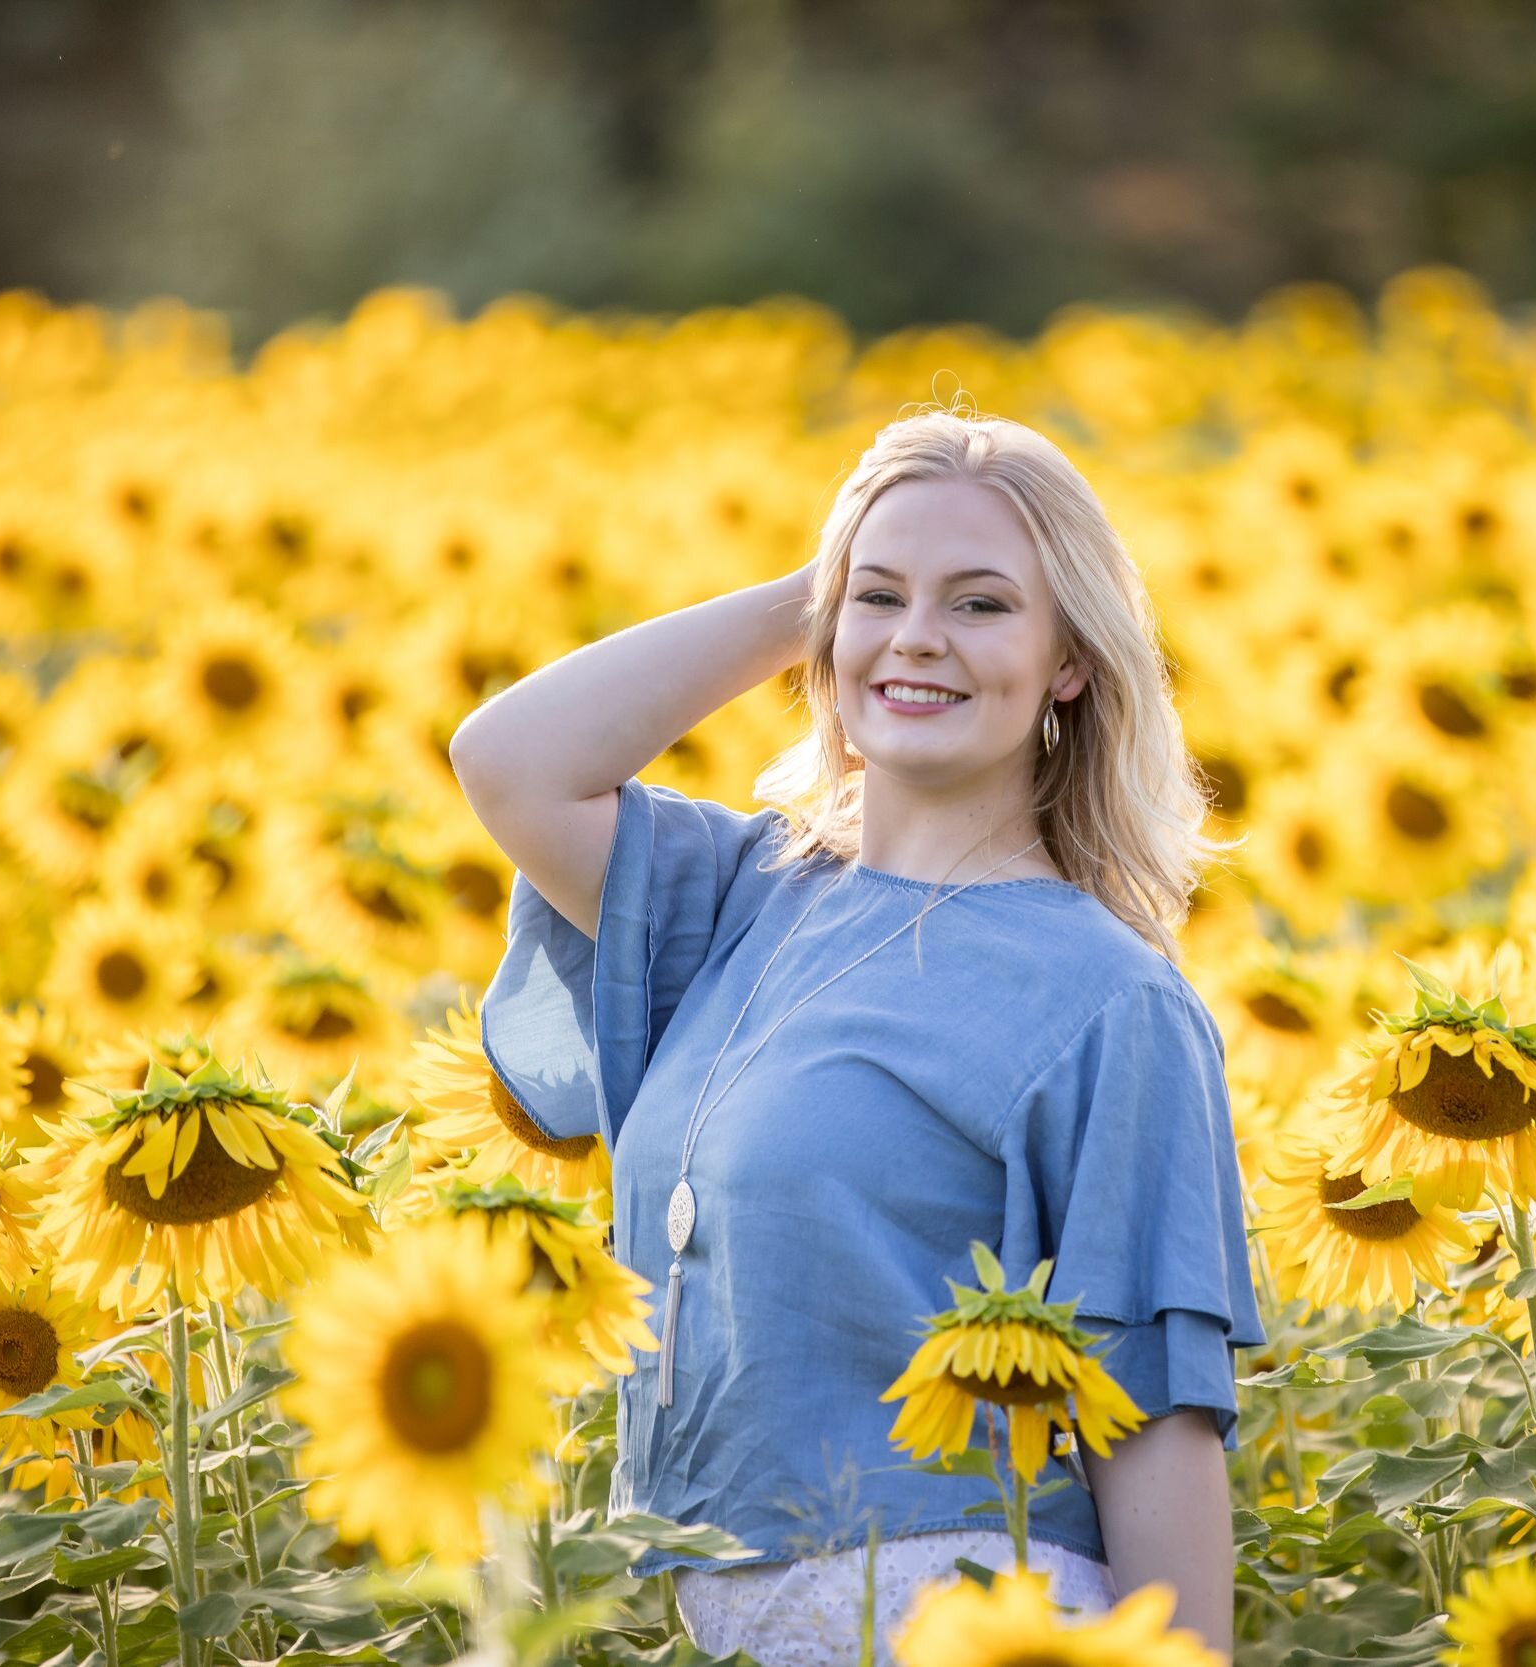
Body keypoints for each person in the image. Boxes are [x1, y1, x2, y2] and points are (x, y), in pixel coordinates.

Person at [447, 404, 1264, 1664]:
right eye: (879, 598)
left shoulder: (1111, 999)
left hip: (968, 1618)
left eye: (984, 604)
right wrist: (824, 587)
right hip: (720, 1613)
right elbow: (511, 758)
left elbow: (1160, 1419)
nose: (918, 639)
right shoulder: (739, 893)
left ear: (1070, 661)